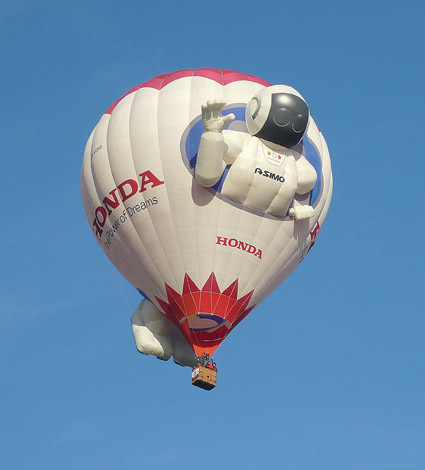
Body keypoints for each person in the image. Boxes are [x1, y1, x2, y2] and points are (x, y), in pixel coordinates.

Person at [194, 85, 317, 220]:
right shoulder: (240, 141)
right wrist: (213, 135)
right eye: (282, 116)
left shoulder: (298, 165)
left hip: (272, 225)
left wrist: (300, 209)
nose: (290, 124)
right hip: (222, 213)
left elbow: (304, 189)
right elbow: (207, 178)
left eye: (297, 120)